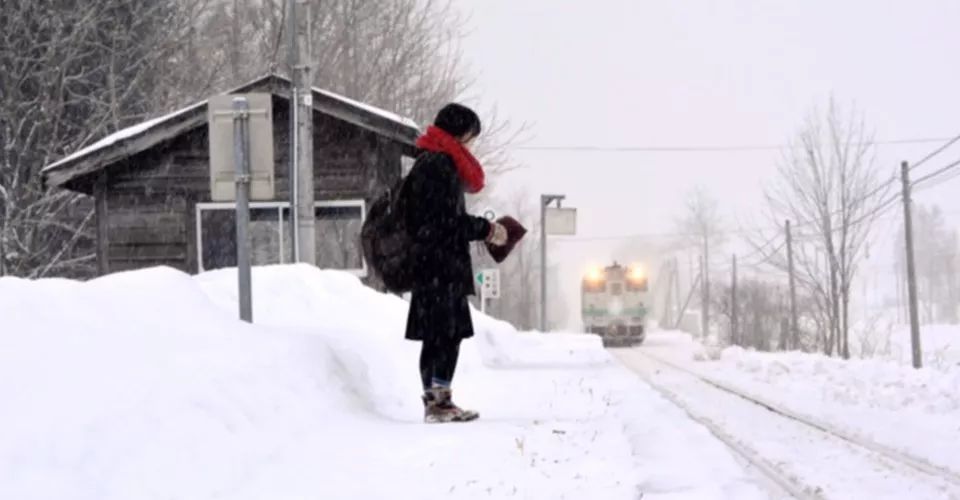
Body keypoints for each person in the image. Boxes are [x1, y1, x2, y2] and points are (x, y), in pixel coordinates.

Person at [404, 103, 508, 423]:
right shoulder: (441, 166)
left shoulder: (427, 162)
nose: (471, 145)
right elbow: (449, 222)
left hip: (428, 264)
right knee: (446, 335)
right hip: (441, 266)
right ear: (459, 133)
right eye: (470, 137)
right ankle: (439, 403)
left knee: (437, 335)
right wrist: (488, 229)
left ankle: (436, 402)